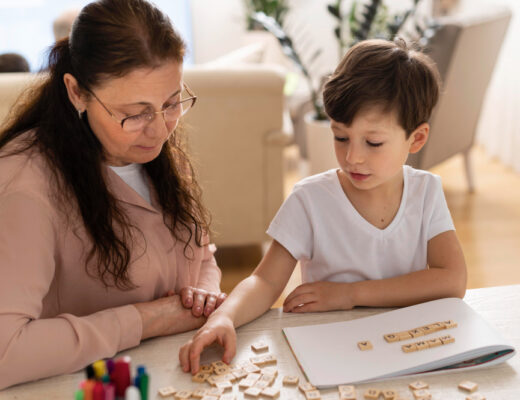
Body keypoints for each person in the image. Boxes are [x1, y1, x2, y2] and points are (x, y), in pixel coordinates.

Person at [179, 38, 467, 373]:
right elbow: (265, 282)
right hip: (331, 352)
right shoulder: (310, 199)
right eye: (340, 136)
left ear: (416, 139)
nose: (352, 157)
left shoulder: (426, 191)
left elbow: (452, 280)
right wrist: (224, 317)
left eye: (373, 142)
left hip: (406, 348)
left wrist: (351, 294)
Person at [0, 0, 226, 389]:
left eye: (172, 103)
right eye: (135, 113)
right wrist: (149, 318)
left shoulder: (154, 152)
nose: (160, 131)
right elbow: (5, 353)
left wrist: (202, 296)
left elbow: (201, 253)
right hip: (85, 388)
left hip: (172, 375)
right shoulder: (23, 187)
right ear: (76, 92)